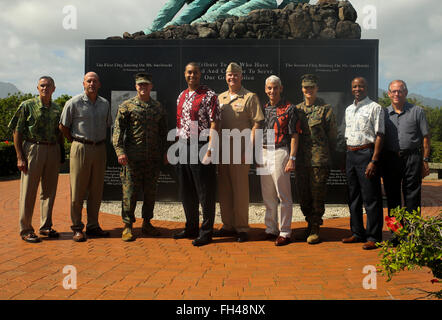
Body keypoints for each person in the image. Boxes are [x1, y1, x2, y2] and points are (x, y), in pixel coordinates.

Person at [113, 73, 168, 242]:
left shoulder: (158, 107)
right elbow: (117, 132)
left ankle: (147, 223)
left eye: (146, 85)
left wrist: (165, 152)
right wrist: (120, 151)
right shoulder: (126, 106)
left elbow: (163, 133)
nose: (143, 87)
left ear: (151, 87)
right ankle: (128, 226)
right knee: (129, 194)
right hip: (132, 159)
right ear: (136, 87)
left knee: (150, 193)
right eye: (140, 85)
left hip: (152, 159)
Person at [8, 76, 62, 243]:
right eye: (42, 86)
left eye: (48, 86)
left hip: (52, 149)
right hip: (33, 149)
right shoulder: (27, 105)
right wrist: (20, 157)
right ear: (37, 88)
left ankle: (45, 226)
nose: (45, 88)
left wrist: (61, 153)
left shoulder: (57, 108)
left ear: (54, 88)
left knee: (49, 191)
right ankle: (26, 229)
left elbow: (59, 132)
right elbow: (17, 131)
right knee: (28, 191)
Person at [59, 72, 112, 242]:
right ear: (83, 83)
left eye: (95, 81)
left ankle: (93, 225)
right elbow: (63, 126)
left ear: (99, 84)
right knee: (78, 190)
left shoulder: (105, 104)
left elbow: (107, 125)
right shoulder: (73, 103)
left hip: (100, 148)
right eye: (89, 81)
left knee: (96, 191)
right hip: (80, 147)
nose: (92, 84)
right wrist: (74, 141)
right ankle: (76, 227)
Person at [214, 62, 264, 242]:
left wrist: (249, 149)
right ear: (226, 77)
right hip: (223, 151)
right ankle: (228, 225)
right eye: (229, 75)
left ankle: (242, 227)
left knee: (241, 190)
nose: (232, 78)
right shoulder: (220, 98)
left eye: (236, 75)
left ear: (241, 76)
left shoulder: (250, 97)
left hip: (240, 150)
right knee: (224, 190)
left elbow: (257, 123)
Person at [173, 62, 220, 246]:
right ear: (185, 74)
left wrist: (211, 149)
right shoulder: (181, 96)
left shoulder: (209, 95)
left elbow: (215, 123)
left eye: (195, 72)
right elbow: (179, 123)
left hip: (201, 145)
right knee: (187, 191)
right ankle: (191, 227)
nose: (192, 75)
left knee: (205, 192)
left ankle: (206, 232)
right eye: (189, 72)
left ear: (200, 74)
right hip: (184, 145)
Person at [341, 77, 384, 250]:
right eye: (354, 86)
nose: (357, 89)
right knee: (354, 197)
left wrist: (374, 160)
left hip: (367, 154)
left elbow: (380, 134)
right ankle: (357, 233)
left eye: (361, 86)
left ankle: (374, 236)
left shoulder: (375, 107)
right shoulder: (349, 109)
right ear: (351, 89)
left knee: (371, 198)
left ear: (366, 88)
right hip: (350, 154)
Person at [295, 74, 337, 244]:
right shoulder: (297, 109)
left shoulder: (326, 109)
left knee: (317, 194)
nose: (308, 90)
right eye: (306, 87)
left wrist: (326, 153)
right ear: (302, 89)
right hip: (301, 161)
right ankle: (308, 224)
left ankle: (315, 228)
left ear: (316, 88)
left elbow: (332, 135)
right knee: (303, 195)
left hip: (319, 160)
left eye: (311, 87)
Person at [259, 75, 300, 246]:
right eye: (269, 88)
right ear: (265, 89)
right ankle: (271, 228)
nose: (272, 91)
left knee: (283, 195)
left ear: (281, 88)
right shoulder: (263, 107)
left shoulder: (290, 108)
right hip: (263, 152)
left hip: (280, 152)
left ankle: (285, 231)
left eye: (275, 87)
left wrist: (292, 157)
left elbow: (294, 135)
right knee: (268, 194)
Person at [381, 80, 431, 216]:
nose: (397, 94)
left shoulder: (417, 111)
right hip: (390, 158)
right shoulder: (383, 113)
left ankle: (413, 233)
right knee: (392, 196)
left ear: (406, 93)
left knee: (412, 196)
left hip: (412, 158)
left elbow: (426, 138)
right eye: (394, 91)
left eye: (400, 91)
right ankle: (396, 234)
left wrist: (425, 160)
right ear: (389, 94)